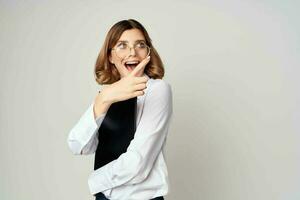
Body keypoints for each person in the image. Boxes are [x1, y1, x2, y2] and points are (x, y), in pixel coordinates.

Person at [67, 19, 173, 200]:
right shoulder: (108, 94)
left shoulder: (157, 90)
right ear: (110, 56)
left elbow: (137, 164)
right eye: (122, 45)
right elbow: (79, 145)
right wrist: (103, 99)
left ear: (148, 53)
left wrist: (94, 181)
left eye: (140, 45)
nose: (132, 52)